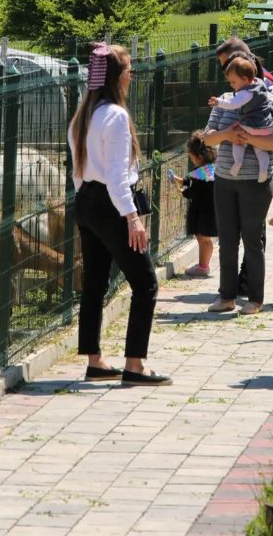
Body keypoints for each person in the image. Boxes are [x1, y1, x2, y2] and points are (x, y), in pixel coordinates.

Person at [68, 41, 171, 386]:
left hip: (86, 201)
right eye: (129, 69)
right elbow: (116, 176)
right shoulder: (115, 116)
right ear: (116, 77)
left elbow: (79, 172)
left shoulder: (83, 114)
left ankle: (95, 360)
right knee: (146, 284)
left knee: (95, 283)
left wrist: (89, 202)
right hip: (112, 206)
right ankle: (134, 365)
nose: (132, 75)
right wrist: (132, 217)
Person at [204, 62, 273, 316]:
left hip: (255, 183)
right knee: (227, 240)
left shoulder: (271, 102)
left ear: (248, 78)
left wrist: (249, 138)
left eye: (235, 80)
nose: (232, 85)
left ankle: (255, 299)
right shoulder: (224, 101)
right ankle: (226, 297)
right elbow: (208, 137)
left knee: (252, 239)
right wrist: (228, 134)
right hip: (224, 180)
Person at [209, 56, 273, 183]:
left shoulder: (246, 93)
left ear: (245, 79)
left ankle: (238, 162)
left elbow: (232, 104)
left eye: (233, 82)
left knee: (238, 141)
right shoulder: (259, 85)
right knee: (260, 149)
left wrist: (218, 102)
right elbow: (207, 139)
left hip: (251, 125)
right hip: (264, 127)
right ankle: (263, 168)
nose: (231, 85)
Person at [170, 131, 217, 279]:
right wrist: (180, 180)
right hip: (212, 212)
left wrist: (181, 191)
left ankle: (203, 267)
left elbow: (192, 191)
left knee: (202, 238)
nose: (191, 160)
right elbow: (192, 181)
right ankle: (204, 265)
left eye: (191, 157)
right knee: (206, 239)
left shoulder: (200, 173)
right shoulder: (211, 170)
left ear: (199, 157)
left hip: (201, 213)